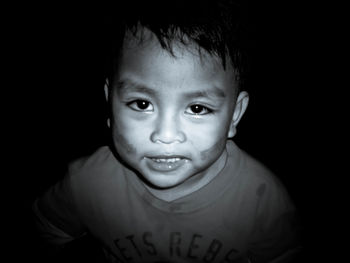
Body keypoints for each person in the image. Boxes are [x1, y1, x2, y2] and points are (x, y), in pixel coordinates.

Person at [32, 0, 301, 262]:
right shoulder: (87, 183)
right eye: (142, 104)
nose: (166, 135)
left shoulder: (262, 199)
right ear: (110, 104)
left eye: (197, 109)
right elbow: (46, 228)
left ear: (234, 115)